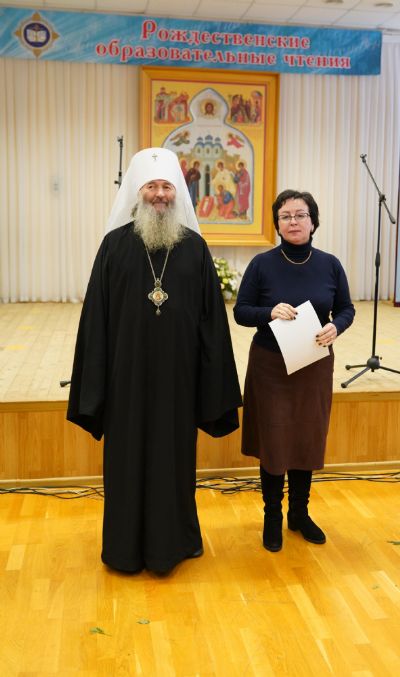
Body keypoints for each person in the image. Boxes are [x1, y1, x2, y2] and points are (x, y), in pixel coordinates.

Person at [67, 147, 242, 575]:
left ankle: (174, 543)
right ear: (137, 191)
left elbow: (211, 324)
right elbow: (96, 321)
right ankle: (124, 549)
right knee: (126, 461)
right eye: (151, 186)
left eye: (166, 186)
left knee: (174, 462)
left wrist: (211, 384)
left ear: (177, 192)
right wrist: (95, 385)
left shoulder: (195, 248)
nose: (160, 194)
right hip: (125, 379)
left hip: (177, 381)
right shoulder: (114, 246)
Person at [234, 189, 355, 552]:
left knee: (306, 437)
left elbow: (346, 308)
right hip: (271, 366)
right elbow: (241, 311)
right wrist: (268, 312)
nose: (293, 222)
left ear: (313, 221)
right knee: (274, 440)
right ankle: (272, 516)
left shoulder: (330, 264)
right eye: (285, 216)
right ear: (277, 224)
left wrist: (337, 326)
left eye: (300, 215)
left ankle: (299, 514)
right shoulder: (262, 264)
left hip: (314, 364)